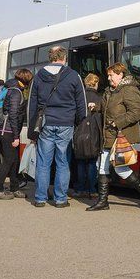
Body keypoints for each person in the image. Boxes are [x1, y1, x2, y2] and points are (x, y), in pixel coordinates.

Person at [87, 62, 140, 212]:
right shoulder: (110, 91)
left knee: (120, 169)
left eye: (111, 75)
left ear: (120, 74)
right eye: (108, 75)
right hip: (108, 135)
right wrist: (96, 107)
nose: (109, 78)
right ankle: (103, 201)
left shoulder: (129, 90)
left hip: (120, 135)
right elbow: (107, 108)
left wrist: (117, 122)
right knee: (102, 167)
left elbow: (137, 111)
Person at [26, 46, 86, 208]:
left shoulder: (38, 76)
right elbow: (82, 104)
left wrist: (32, 130)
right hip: (66, 124)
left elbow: (31, 105)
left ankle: (40, 198)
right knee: (63, 162)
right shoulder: (74, 76)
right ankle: (60, 199)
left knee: (43, 163)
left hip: (45, 124)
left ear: (50, 57)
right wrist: (80, 122)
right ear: (64, 57)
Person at [0, 68, 32, 200]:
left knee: (14, 160)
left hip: (8, 129)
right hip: (7, 131)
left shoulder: (13, 89)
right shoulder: (16, 92)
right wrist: (15, 136)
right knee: (8, 160)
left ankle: (14, 187)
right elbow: (13, 115)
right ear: (25, 79)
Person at [74, 73, 103, 199]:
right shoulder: (100, 98)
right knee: (92, 163)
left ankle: (81, 189)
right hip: (94, 134)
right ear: (96, 84)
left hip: (80, 133)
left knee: (80, 163)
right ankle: (92, 189)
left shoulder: (80, 97)